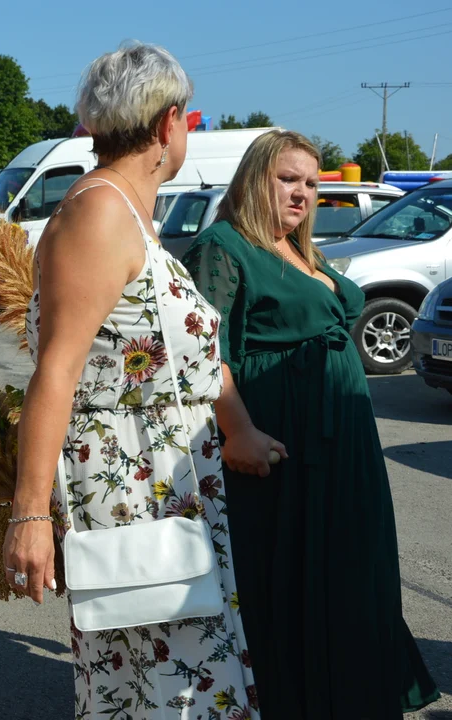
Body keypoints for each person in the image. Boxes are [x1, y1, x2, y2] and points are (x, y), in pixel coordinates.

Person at [3, 43, 259, 718]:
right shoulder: (100, 214)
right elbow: (55, 370)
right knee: (161, 689)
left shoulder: (124, 212)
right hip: (132, 494)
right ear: (168, 122)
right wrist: (29, 514)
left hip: (164, 490)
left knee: (175, 685)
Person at [181, 130, 437, 718]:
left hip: (342, 444)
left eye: (312, 184)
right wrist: (238, 429)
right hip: (281, 442)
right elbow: (200, 352)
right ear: (253, 179)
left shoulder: (302, 248)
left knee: (351, 568)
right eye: (287, 179)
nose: (301, 194)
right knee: (291, 579)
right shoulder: (224, 245)